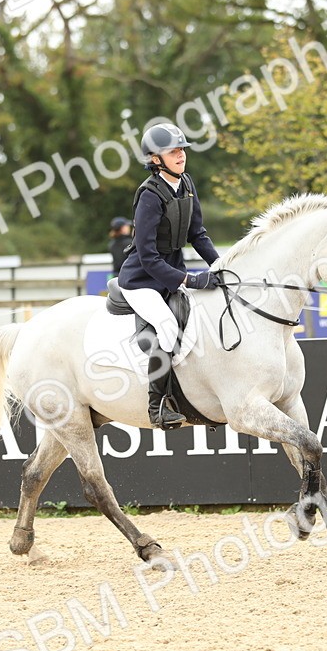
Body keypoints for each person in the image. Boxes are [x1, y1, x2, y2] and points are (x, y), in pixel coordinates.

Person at [117, 123, 221, 429]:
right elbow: (148, 256)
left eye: (182, 150)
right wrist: (190, 280)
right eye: (173, 151)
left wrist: (221, 266)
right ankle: (157, 406)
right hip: (142, 280)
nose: (181, 155)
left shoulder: (186, 184)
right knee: (166, 326)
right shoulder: (149, 196)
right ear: (155, 158)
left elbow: (198, 234)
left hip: (170, 274)